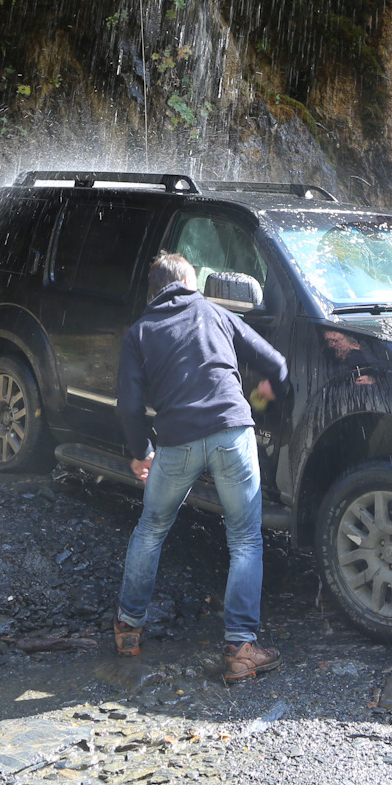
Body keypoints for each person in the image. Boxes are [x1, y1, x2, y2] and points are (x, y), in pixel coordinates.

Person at [114, 252, 289, 683]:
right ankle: (240, 649)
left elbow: (129, 405)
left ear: (154, 291)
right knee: (245, 540)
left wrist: (141, 451)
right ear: (191, 283)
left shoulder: (140, 331)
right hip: (233, 434)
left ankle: (127, 630)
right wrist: (256, 407)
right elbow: (277, 367)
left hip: (177, 443)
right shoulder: (216, 312)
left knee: (151, 528)